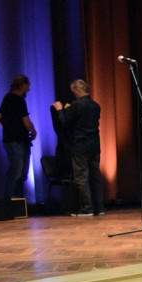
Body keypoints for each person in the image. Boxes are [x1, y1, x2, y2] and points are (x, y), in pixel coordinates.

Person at [52, 79, 104, 216]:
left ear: (77, 90)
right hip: (94, 145)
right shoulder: (95, 105)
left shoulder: (76, 105)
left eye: (73, 91)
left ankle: (87, 208)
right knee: (95, 177)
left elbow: (65, 124)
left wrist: (60, 110)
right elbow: (84, 121)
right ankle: (99, 208)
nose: (73, 94)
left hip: (80, 146)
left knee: (81, 177)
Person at [0, 74, 36, 199]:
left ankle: (16, 203)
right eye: (28, 86)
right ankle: (12, 202)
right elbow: (26, 121)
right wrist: (33, 131)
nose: (28, 89)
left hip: (10, 139)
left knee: (18, 172)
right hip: (18, 140)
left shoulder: (7, 98)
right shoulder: (18, 100)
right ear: (23, 85)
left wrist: (7, 126)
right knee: (18, 172)